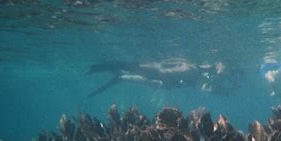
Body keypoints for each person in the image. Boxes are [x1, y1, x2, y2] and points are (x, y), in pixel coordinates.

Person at [87, 59, 238, 97]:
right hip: (158, 75)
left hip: (162, 81)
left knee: (131, 76)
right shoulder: (192, 69)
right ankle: (102, 67)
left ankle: (119, 76)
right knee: (135, 68)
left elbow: (206, 88)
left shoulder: (199, 74)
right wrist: (168, 83)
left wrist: (223, 92)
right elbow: (165, 73)